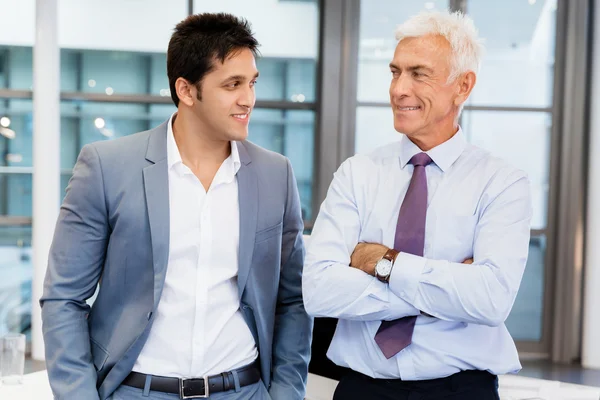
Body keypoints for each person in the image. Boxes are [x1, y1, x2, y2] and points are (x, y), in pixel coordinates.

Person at [41, 13, 312, 400]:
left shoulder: (276, 174)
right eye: (232, 84)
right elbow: (63, 298)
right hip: (137, 390)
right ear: (186, 90)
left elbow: (293, 300)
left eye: (251, 83)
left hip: (243, 390)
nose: (247, 99)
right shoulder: (107, 166)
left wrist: (286, 392)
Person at [303, 10, 532, 400]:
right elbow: (319, 291)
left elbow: (491, 301)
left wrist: (384, 263)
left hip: (461, 390)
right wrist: (446, 293)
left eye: (418, 74)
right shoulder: (357, 174)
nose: (398, 89)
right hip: (362, 389)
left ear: (462, 86)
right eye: (395, 72)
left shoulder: (502, 183)